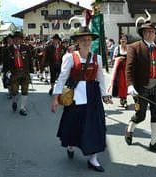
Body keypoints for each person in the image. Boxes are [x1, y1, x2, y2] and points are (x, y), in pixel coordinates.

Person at [51, 26, 113, 172]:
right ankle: (71, 144)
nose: (87, 42)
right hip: (75, 96)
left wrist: (105, 95)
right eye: (83, 39)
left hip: (92, 95)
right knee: (74, 123)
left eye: (89, 39)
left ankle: (93, 159)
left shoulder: (97, 58)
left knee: (95, 126)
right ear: (78, 41)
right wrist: (55, 98)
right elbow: (62, 78)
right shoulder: (70, 57)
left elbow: (100, 79)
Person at [125, 20, 156, 154]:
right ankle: (130, 128)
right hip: (140, 87)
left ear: (155, 33)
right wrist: (130, 85)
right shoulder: (134, 47)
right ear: (142, 33)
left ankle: (153, 142)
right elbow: (129, 68)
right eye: (147, 31)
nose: (150, 34)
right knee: (141, 115)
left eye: (152, 31)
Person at [3, 31, 34, 116]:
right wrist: (7, 72)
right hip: (14, 73)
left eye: (19, 38)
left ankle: (22, 108)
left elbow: (30, 60)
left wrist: (32, 72)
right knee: (14, 90)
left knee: (25, 90)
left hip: (25, 72)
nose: (17, 40)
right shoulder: (7, 50)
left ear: (21, 40)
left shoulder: (26, 48)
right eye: (15, 38)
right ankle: (14, 101)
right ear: (13, 40)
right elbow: (5, 63)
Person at [107, 34, 128, 108]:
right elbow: (113, 59)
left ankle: (124, 98)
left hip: (127, 69)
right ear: (120, 40)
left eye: (125, 39)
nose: (123, 40)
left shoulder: (128, 49)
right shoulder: (117, 49)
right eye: (122, 39)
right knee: (121, 84)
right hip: (119, 69)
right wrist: (119, 58)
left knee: (127, 84)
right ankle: (123, 99)